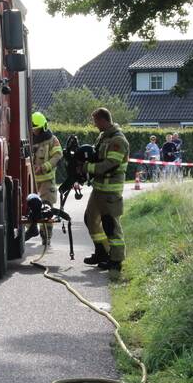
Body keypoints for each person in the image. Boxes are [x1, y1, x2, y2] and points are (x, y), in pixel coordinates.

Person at [81, 107, 129, 271]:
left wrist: (87, 167)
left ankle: (116, 260)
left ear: (103, 120)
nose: (95, 125)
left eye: (96, 121)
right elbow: (96, 156)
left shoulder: (118, 141)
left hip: (111, 191)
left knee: (111, 225)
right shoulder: (103, 137)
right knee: (90, 219)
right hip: (98, 189)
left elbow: (109, 165)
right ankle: (101, 252)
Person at [28, 111, 63, 246]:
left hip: (46, 181)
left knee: (46, 208)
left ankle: (46, 236)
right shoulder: (29, 140)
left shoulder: (52, 140)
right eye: (32, 129)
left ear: (43, 127)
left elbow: (57, 156)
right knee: (30, 207)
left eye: (36, 129)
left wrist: (44, 167)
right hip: (31, 180)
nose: (34, 132)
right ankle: (31, 229)